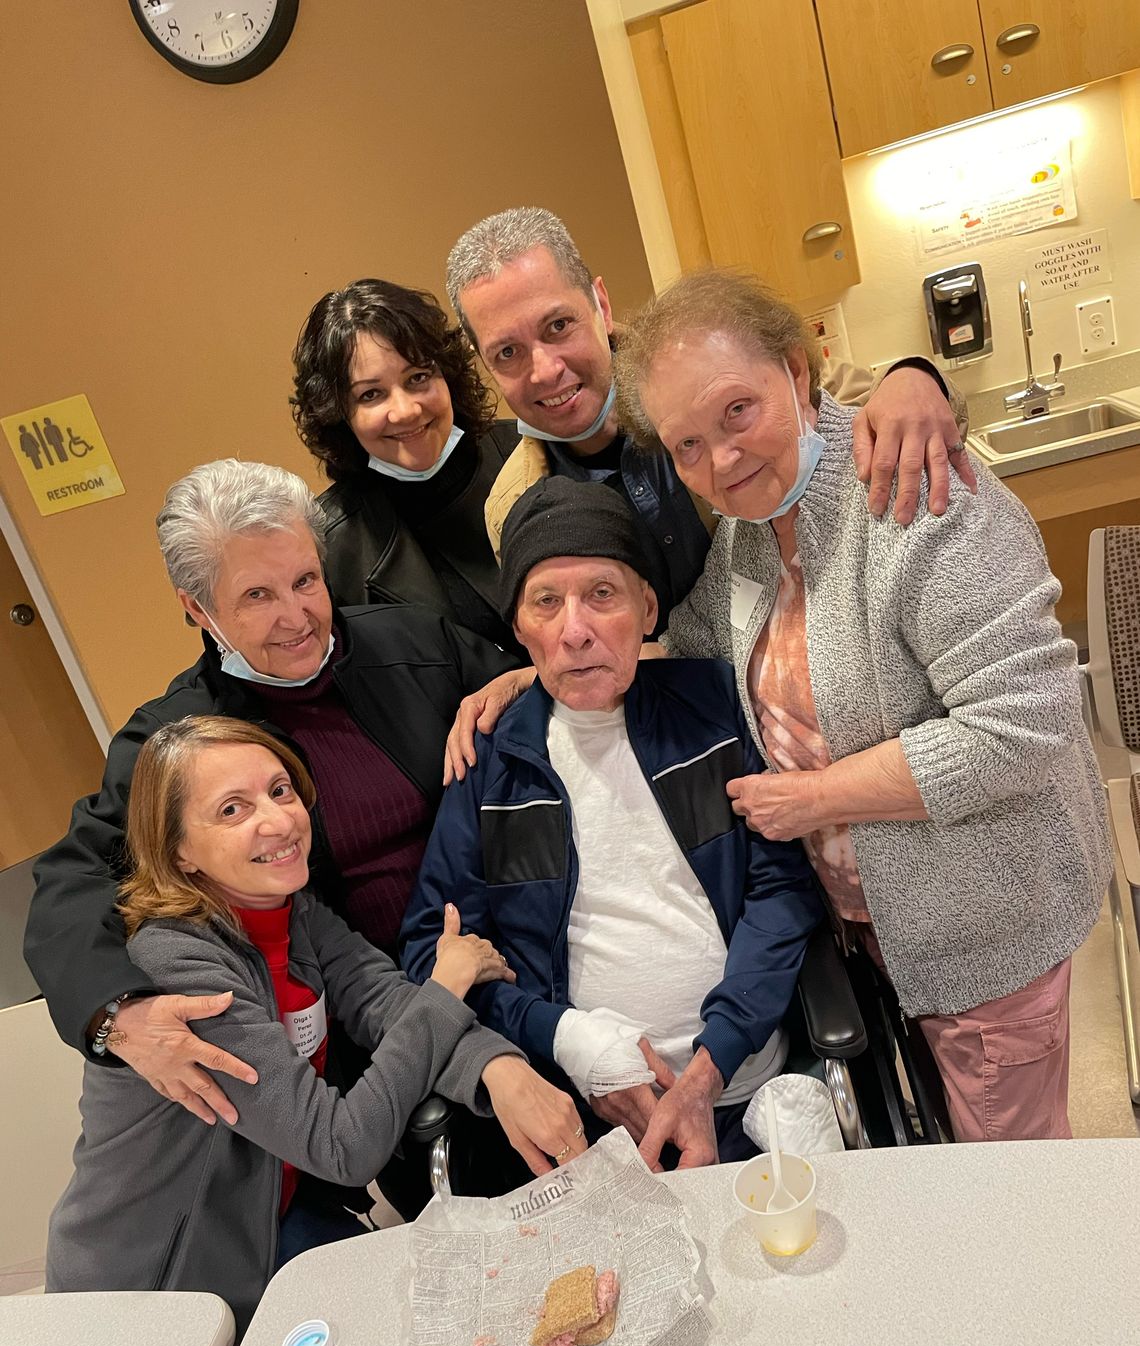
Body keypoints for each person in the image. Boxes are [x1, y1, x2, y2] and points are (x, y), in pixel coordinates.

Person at [611, 267, 1112, 1142]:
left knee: (1018, 1182)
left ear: (799, 375)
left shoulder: (915, 488)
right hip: (878, 927)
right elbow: (692, 648)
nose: (721, 462)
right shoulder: (746, 536)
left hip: (985, 922)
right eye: (686, 446)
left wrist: (812, 799)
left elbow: (1021, 722)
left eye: (738, 411)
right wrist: (540, 670)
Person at [24, 460, 558, 1211]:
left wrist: (519, 678)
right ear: (197, 607)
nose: (297, 616)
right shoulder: (181, 741)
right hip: (370, 1025)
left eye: (306, 581)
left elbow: (546, 679)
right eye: (256, 596)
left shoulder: (412, 641)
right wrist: (117, 1015)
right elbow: (72, 883)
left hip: (505, 961)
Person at [46, 717, 583, 1334]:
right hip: (159, 1289)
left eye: (280, 791)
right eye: (231, 809)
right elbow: (342, 1146)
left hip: (272, 1214)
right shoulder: (179, 965)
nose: (276, 821)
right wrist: (447, 984)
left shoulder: (289, 910)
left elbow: (384, 1000)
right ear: (178, 852)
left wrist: (498, 1066)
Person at [402, 479, 822, 1170]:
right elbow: (431, 946)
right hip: (587, 1123)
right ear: (518, 627)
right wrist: (568, 1038)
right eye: (546, 602)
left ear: (647, 607)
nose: (575, 630)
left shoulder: (714, 706)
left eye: (603, 594)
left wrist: (712, 1064)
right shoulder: (491, 762)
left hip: (745, 1081)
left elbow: (782, 890)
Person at [444, 205, 974, 630]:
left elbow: (853, 405)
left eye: (558, 325)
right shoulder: (512, 506)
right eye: (507, 353)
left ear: (600, 304)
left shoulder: (704, 371)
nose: (543, 370)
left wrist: (917, 378)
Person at [291, 279, 523, 654]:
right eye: (371, 394)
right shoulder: (329, 548)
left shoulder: (534, 452)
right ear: (338, 415)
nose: (405, 410)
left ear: (448, 375)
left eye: (418, 377)